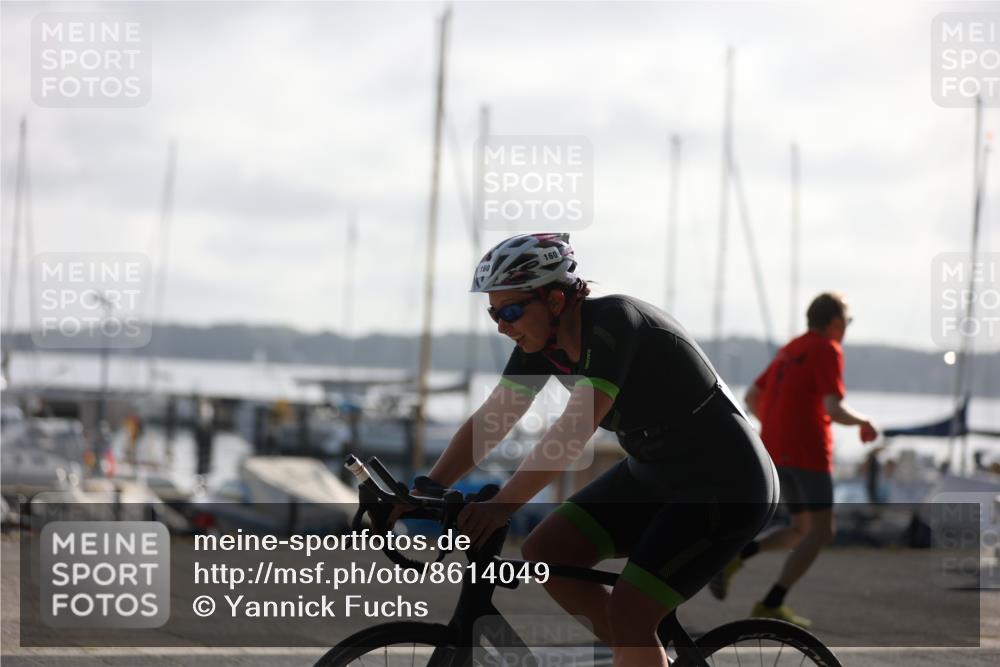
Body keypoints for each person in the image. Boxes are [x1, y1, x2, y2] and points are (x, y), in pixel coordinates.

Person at [395, 233, 778, 667]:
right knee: (547, 552)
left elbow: (575, 429)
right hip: (654, 473)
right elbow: (493, 419)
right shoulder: (542, 344)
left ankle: (637, 647)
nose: (502, 325)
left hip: (725, 481)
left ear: (556, 300)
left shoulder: (615, 322)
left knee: (631, 612)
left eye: (511, 311)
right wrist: (426, 489)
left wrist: (502, 506)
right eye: (493, 314)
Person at [709, 291, 878, 628]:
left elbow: (752, 396)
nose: (847, 327)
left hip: (774, 448)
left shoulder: (791, 349)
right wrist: (865, 422)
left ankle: (737, 560)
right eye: (847, 320)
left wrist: (776, 427)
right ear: (834, 322)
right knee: (822, 531)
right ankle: (771, 602)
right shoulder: (827, 348)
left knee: (801, 527)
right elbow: (833, 408)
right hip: (808, 451)